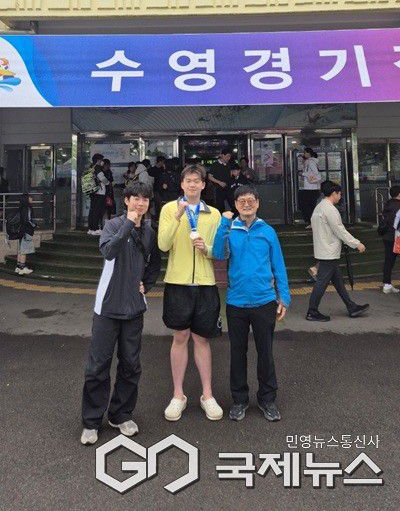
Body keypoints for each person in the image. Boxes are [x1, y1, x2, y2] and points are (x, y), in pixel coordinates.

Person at [80, 182, 161, 446]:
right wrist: (128, 223)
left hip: (134, 308)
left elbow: (155, 262)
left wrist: (147, 284)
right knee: (98, 366)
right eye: (135, 198)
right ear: (126, 201)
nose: (140, 203)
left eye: (145, 199)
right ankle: (91, 421)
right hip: (107, 307)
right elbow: (108, 251)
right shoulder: (113, 225)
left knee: (131, 365)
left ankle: (121, 414)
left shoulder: (149, 231)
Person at [213, 185, 290, 423]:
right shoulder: (229, 229)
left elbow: (278, 266)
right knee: (238, 353)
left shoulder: (267, 231)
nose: (246, 204)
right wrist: (224, 224)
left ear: (257, 203)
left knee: (265, 352)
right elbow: (218, 254)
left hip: (264, 301)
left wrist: (284, 297)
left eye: (251, 200)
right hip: (236, 302)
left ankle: (267, 400)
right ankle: (239, 400)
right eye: (242, 201)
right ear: (236, 205)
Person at [158, 164, 223, 422]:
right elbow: (163, 245)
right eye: (188, 181)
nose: (193, 184)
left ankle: (207, 395)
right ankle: (178, 395)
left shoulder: (214, 214)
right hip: (177, 282)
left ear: (204, 185)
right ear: (182, 184)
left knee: (202, 339)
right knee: (180, 337)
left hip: (205, 284)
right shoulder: (169, 209)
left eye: (197, 180)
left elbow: (220, 251)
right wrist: (177, 216)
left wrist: (206, 249)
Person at [306, 180, 369, 321]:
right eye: (339, 194)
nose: (340, 196)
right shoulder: (330, 209)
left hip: (324, 250)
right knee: (321, 283)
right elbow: (340, 231)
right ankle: (312, 311)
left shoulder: (319, 207)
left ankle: (351, 307)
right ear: (334, 193)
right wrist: (357, 244)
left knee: (338, 282)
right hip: (328, 251)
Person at [379, 185, 400, 294]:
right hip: (397, 237)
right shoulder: (398, 206)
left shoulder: (388, 204)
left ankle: (387, 285)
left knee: (388, 261)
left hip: (387, 237)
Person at [298, 147, 321, 228]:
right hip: (313, 188)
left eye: (305, 153)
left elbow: (315, 173)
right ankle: (312, 222)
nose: (304, 154)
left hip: (310, 188)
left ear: (308, 153)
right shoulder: (312, 161)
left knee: (307, 205)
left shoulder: (310, 162)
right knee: (311, 205)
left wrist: (303, 174)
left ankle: (312, 222)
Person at [87, 153, 109, 236]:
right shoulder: (97, 167)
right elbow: (102, 178)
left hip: (92, 192)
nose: (102, 162)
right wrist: (108, 183)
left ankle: (91, 228)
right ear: (98, 160)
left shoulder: (91, 167)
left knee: (92, 210)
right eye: (101, 160)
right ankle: (96, 229)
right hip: (99, 192)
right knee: (98, 210)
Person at [15, 194, 36, 276]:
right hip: (26, 230)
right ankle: (22, 268)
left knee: (20, 249)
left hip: (20, 231)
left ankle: (18, 266)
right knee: (24, 249)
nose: (32, 199)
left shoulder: (20, 208)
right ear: (26, 199)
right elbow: (28, 220)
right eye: (30, 198)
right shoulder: (28, 208)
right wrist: (34, 225)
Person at [208, 149, 232, 213]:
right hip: (218, 189)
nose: (229, 158)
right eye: (227, 156)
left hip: (228, 189)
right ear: (222, 155)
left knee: (232, 205)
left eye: (230, 156)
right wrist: (219, 182)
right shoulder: (215, 165)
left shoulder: (228, 165)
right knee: (220, 207)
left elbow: (230, 175)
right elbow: (210, 177)